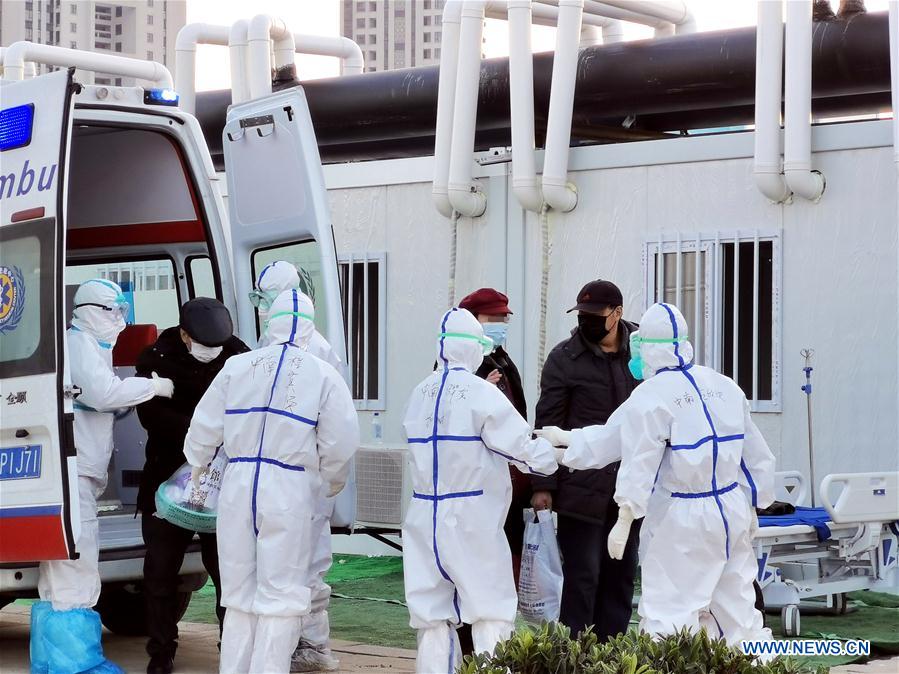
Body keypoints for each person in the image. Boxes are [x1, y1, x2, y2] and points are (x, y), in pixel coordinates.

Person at [540, 303, 775, 648]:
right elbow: (756, 456)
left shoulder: (650, 396)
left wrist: (625, 516)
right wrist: (754, 504)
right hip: (730, 509)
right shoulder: (723, 386)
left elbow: (635, 457)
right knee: (738, 613)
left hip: (680, 520)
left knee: (670, 613)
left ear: (648, 347)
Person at [183, 289, 359, 674]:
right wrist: (331, 480)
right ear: (310, 327)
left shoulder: (237, 366)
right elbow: (340, 440)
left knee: (239, 593)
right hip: (289, 486)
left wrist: (197, 466)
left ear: (269, 322)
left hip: (238, 484)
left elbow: (202, 428)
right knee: (281, 596)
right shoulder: (323, 373)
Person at [402, 308, 558, 674]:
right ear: (474, 348)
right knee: (490, 611)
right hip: (471, 518)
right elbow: (524, 451)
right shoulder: (482, 393)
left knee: (432, 617)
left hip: (424, 516)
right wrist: (559, 453)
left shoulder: (419, 392)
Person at [31, 279, 174, 674]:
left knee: (65, 563)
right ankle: (75, 662)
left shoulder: (90, 347)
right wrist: (155, 386)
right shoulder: (78, 345)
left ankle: (54, 659)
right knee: (76, 561)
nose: (121, 321)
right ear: (93, 310)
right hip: (72, 469)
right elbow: (105, 394)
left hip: (82, 469)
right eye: (115, 311)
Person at [135, 298, 250, 674]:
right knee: (161, 573)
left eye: (217, 346)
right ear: (184, 334)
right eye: (203, 345)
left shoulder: (237, 355)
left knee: (228, 570)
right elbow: (151, 416)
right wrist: (205, 433)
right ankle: (161, 652)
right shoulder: (155, 359)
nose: (211, 352)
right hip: (168, 481)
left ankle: (230, 645)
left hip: (222, 485)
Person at [529, 279, 641, 639]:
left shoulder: (642, 353)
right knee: (583, 575)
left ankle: (614, 654)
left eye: (596, 315)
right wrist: (543, 484)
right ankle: (576, 655)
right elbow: (546, 424)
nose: (587, 322)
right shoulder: (565, 358)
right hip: (581, 488)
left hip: (629, 487)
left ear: (618, 314)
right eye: (583, 315)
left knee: (621, 575)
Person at [250, 260, 344, 672]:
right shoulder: (263, 344)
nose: (263, 307)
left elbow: (336, 426)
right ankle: (282, 645)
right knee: (271, 565)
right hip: (270, 475)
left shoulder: (320, 352)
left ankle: (311, 645)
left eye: (266, 299)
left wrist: (331, 477)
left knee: (307, 563)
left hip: (304, 477)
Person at [455, 287, 529, 655]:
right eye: (492, 319)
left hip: (508, 487)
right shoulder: (458, 371)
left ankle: (499, 650)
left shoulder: (501, 360)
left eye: (503, 319)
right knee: (473, 578)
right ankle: (470, 652)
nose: (500, 326)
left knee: (505, 571)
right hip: (473, 494)